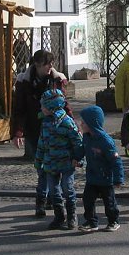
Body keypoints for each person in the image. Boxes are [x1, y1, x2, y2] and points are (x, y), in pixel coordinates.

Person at [12, 50, 68, 216]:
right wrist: (18, 132)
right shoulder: (24, 81)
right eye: (47, 63)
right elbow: (19, 109)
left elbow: (64, 105)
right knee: (41, 168)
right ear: (37, 64)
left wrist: (72, 126)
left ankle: (51, 198)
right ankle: (41, 202)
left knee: (53, 167)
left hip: (54, 129)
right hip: (34, 129)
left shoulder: (56, 79)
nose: (51, 66)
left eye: (52, 63)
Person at [35, 89, 84, 230]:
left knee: (67, 188)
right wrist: (38, 161)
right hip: (50, 163)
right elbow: (41, 143)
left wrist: (78, 159)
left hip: (66, 162)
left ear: (51, 107)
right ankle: (59, 216)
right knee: (53, 190)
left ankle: (72, 215)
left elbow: (78, 142)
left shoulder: (67, 122)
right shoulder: (45, 123)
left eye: (43, 106)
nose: (41, 108)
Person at [78, 106, 125, 232]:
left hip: (105, 178)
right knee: (87, 200)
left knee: (109, 202)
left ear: (92, 123)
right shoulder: (87, 137)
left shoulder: (105, 141)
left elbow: (116, 161)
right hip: (92, 176)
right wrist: (77, 158)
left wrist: (118, 178)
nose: (81, 124)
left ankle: (113, 221)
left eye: (83, 122)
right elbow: (82, 150)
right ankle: (91, 222)